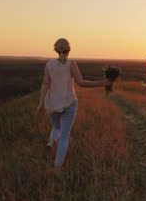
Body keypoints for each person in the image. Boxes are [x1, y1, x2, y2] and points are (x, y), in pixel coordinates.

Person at [35, 38, 111, 167]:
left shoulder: (49, 64)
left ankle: (51, 141)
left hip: (51, 103)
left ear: (56, 50)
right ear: (68, 50)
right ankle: (57, 167)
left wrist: (40, 103)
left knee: (56, 127)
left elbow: (45, 84)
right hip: (69, 103)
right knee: (64, 136)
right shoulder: (71, 63)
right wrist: (102, 83)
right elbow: (81, 82)